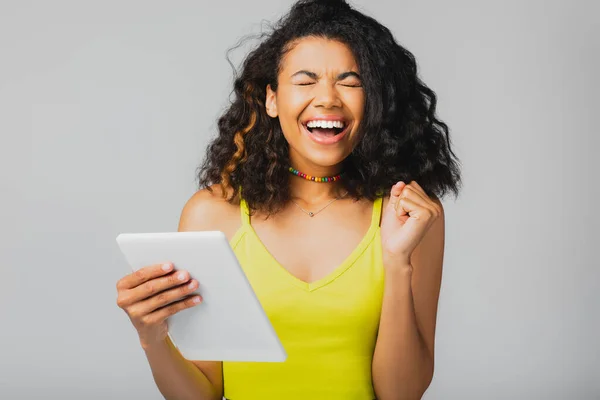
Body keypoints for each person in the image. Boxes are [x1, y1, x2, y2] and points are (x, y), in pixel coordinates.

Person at [116, 0, 462, 399]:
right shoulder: (212, 214)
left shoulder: (407, 217)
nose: (328, 99)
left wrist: (398, 262)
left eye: (350, 82)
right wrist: (152, 337)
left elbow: (401, 394)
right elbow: (202, 395)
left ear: (375, 104)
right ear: (271, 99)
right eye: (305, 80)